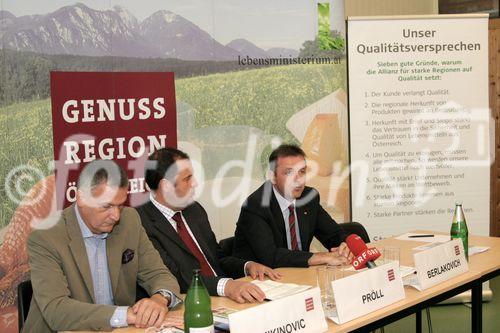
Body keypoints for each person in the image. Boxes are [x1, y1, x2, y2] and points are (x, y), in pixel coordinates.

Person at [24, 160, 180, 333]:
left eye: (120, 205)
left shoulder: (129, 220)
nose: (115, 216)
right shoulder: (45, 237)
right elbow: (57, 310)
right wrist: (126, 315)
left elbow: (159, 274)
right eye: (107, 206)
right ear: (81, 198)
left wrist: (160, 298)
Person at [137, 148, 281, 304]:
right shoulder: (140, 223)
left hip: (225, 298)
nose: (195, 183)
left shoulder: (194, 210)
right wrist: (227, 286)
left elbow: (216, 258)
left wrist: (247, 266)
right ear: (165, 186)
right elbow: (174, 279)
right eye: (187, 178)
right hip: (189, 304)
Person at [233, 144, 352, 268]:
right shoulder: (255, 206)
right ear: (272, 176)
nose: (298, 180)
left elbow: (333, 234)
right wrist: (321, 257)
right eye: (289, 172)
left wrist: (345, 245)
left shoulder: (309, 197)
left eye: (302, 172)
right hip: (258, 281)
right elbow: (271, 257)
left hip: (298, 275)